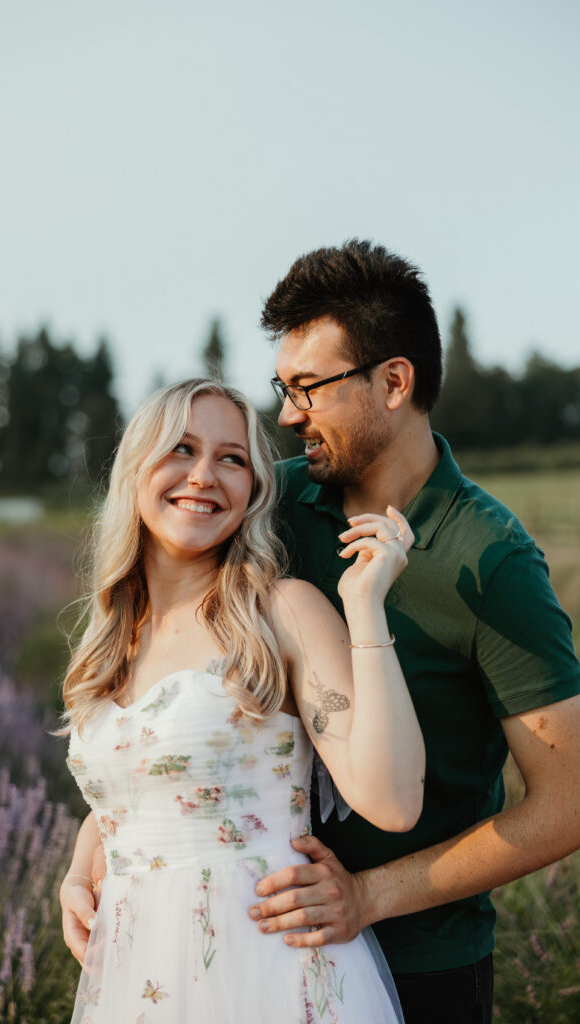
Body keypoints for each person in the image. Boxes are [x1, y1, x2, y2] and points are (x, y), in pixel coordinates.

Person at [247, 239, 580, 1023]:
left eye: (309, 388)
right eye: (281, 386)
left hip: (421, 973)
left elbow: (567, 802)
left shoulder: (489, 559)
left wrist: (368, 895)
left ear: (393, 381)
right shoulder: (270, 506)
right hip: (257, 948)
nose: (287, 413)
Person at [59, 377, 425, 1022]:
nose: (204, 475)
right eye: (181, 449)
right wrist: (77, 871)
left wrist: (364, 607)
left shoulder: (281, 613)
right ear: (135, 470)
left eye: (232, 459)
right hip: (139, 981)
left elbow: (392, 801)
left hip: (268, 966)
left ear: (253, 490)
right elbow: (141, 788)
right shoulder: (108, 640)